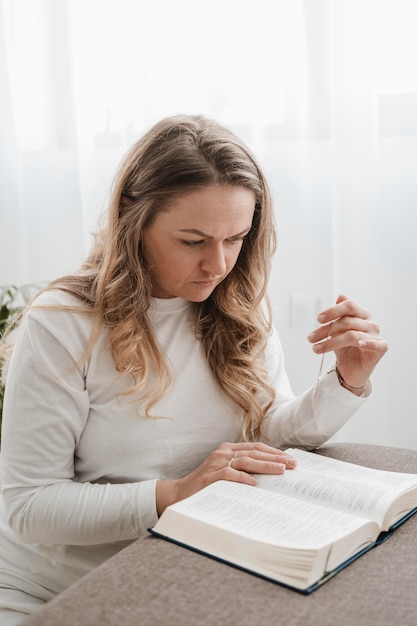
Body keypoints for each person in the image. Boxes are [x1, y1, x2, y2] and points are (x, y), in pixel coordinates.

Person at [0, 114, 388, 624]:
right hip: (64, 593)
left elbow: (268, 434)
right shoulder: (63, 323)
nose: (218, 265)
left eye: (236, 238)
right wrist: (176, 493)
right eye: (193, 241)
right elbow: (29, 509)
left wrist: (347, 379)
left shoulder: (235, 305)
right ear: (130, 216)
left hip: (184, 573)